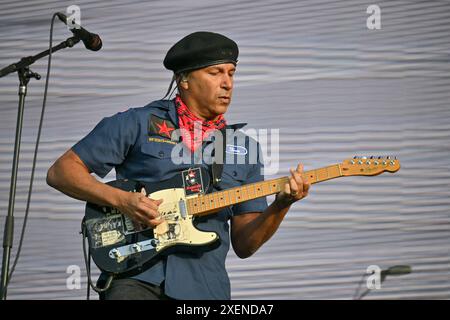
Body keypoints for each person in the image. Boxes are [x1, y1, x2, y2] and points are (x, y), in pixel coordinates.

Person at [46, 31, 310, 300]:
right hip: (133, 278)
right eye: (215, 72)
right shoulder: (137, 122)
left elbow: (245, 245)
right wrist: (122, 200)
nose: (227, 83)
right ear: (184, 79)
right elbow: (62, 171)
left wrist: (281, 205)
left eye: (231, 73)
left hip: (204, 289)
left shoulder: (246, 149)